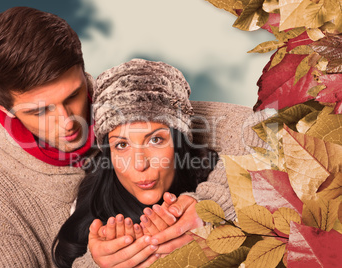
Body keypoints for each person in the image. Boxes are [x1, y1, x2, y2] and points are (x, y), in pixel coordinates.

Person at [0, 7, 232, 267]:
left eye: (72, 96)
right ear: (4, 109)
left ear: (83, 73)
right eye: (40, 111)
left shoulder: (118, 98)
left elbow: (263, 130)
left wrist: (209, 205)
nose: (68, 121)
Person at [52, 59, 221, 267]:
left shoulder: (220, 178)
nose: (140, 164)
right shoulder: (91, 206)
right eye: (122, 145)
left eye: (155, 140)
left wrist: (213, 211)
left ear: (179, 143)